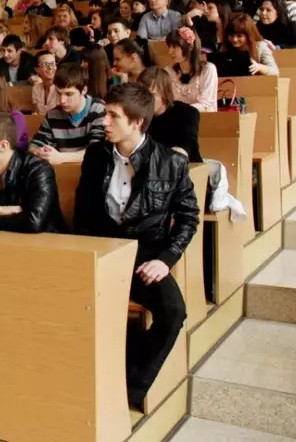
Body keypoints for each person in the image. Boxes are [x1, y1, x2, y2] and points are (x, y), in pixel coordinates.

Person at [73, 83, 199, 406]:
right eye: (105, 113)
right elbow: (83, 213)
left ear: (137, 122)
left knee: (173, 312)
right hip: (101, 252)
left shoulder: (170, 163)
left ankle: (130, 387)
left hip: (144, 257)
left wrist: (166, 259)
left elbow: (188, 218)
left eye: (114, 116)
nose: (104, 122)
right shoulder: (96, 155)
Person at [29, 64, 106, 164]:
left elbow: (97, 152)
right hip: (62, 171)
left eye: (69, 94)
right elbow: (34, 145)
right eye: (58, 93)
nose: (62, 101)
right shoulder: (53, 115)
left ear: (84, 90)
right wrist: (39, 152)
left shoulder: (98, 110)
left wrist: (61, 158)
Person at [138, 67, 202, 163]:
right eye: (140, 95)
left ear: (164, 93)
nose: (144, 100)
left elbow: (187, 144)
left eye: (151, 95)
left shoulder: (186, 113)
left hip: (187, 168)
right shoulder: (138, 118)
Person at [164, 27, 217, 112]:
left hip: (204, 118)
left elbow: (206, 104)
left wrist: (182, 111)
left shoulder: (208, 70)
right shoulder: (168, 72)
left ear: (190, 47)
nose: (170, 52)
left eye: (174, 47)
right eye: (169, 47)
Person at [212, 14, 279, 77]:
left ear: (248, 36)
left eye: (239, 36)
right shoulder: (225, 47)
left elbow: (275, 71)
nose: (234, 39)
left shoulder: (260, 47)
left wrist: (259, 67)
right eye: (231, 35)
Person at [31, 50, 60, 114]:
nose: (50, 67)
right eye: (45, 64)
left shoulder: (61, 88)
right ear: (37, 69)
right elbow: (35, 113)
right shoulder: (36, 89)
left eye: (52, 64)